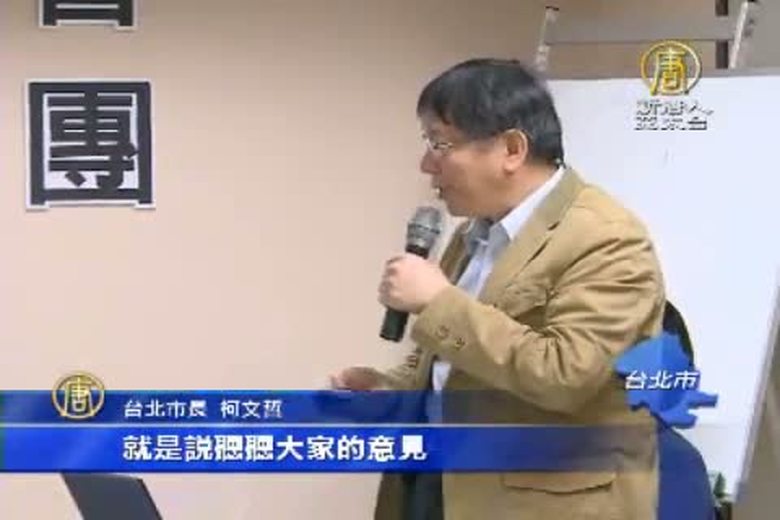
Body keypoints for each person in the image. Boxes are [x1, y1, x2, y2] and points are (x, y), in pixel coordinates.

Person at [331, 58, 666, 520]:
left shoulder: (607, 239)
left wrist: (437, 301)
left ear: (511, 149)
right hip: (441, 484)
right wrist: (392, 393)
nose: (426, 164)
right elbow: (455, 362)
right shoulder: (475, 232)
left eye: (440, 143)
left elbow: (566, 375)